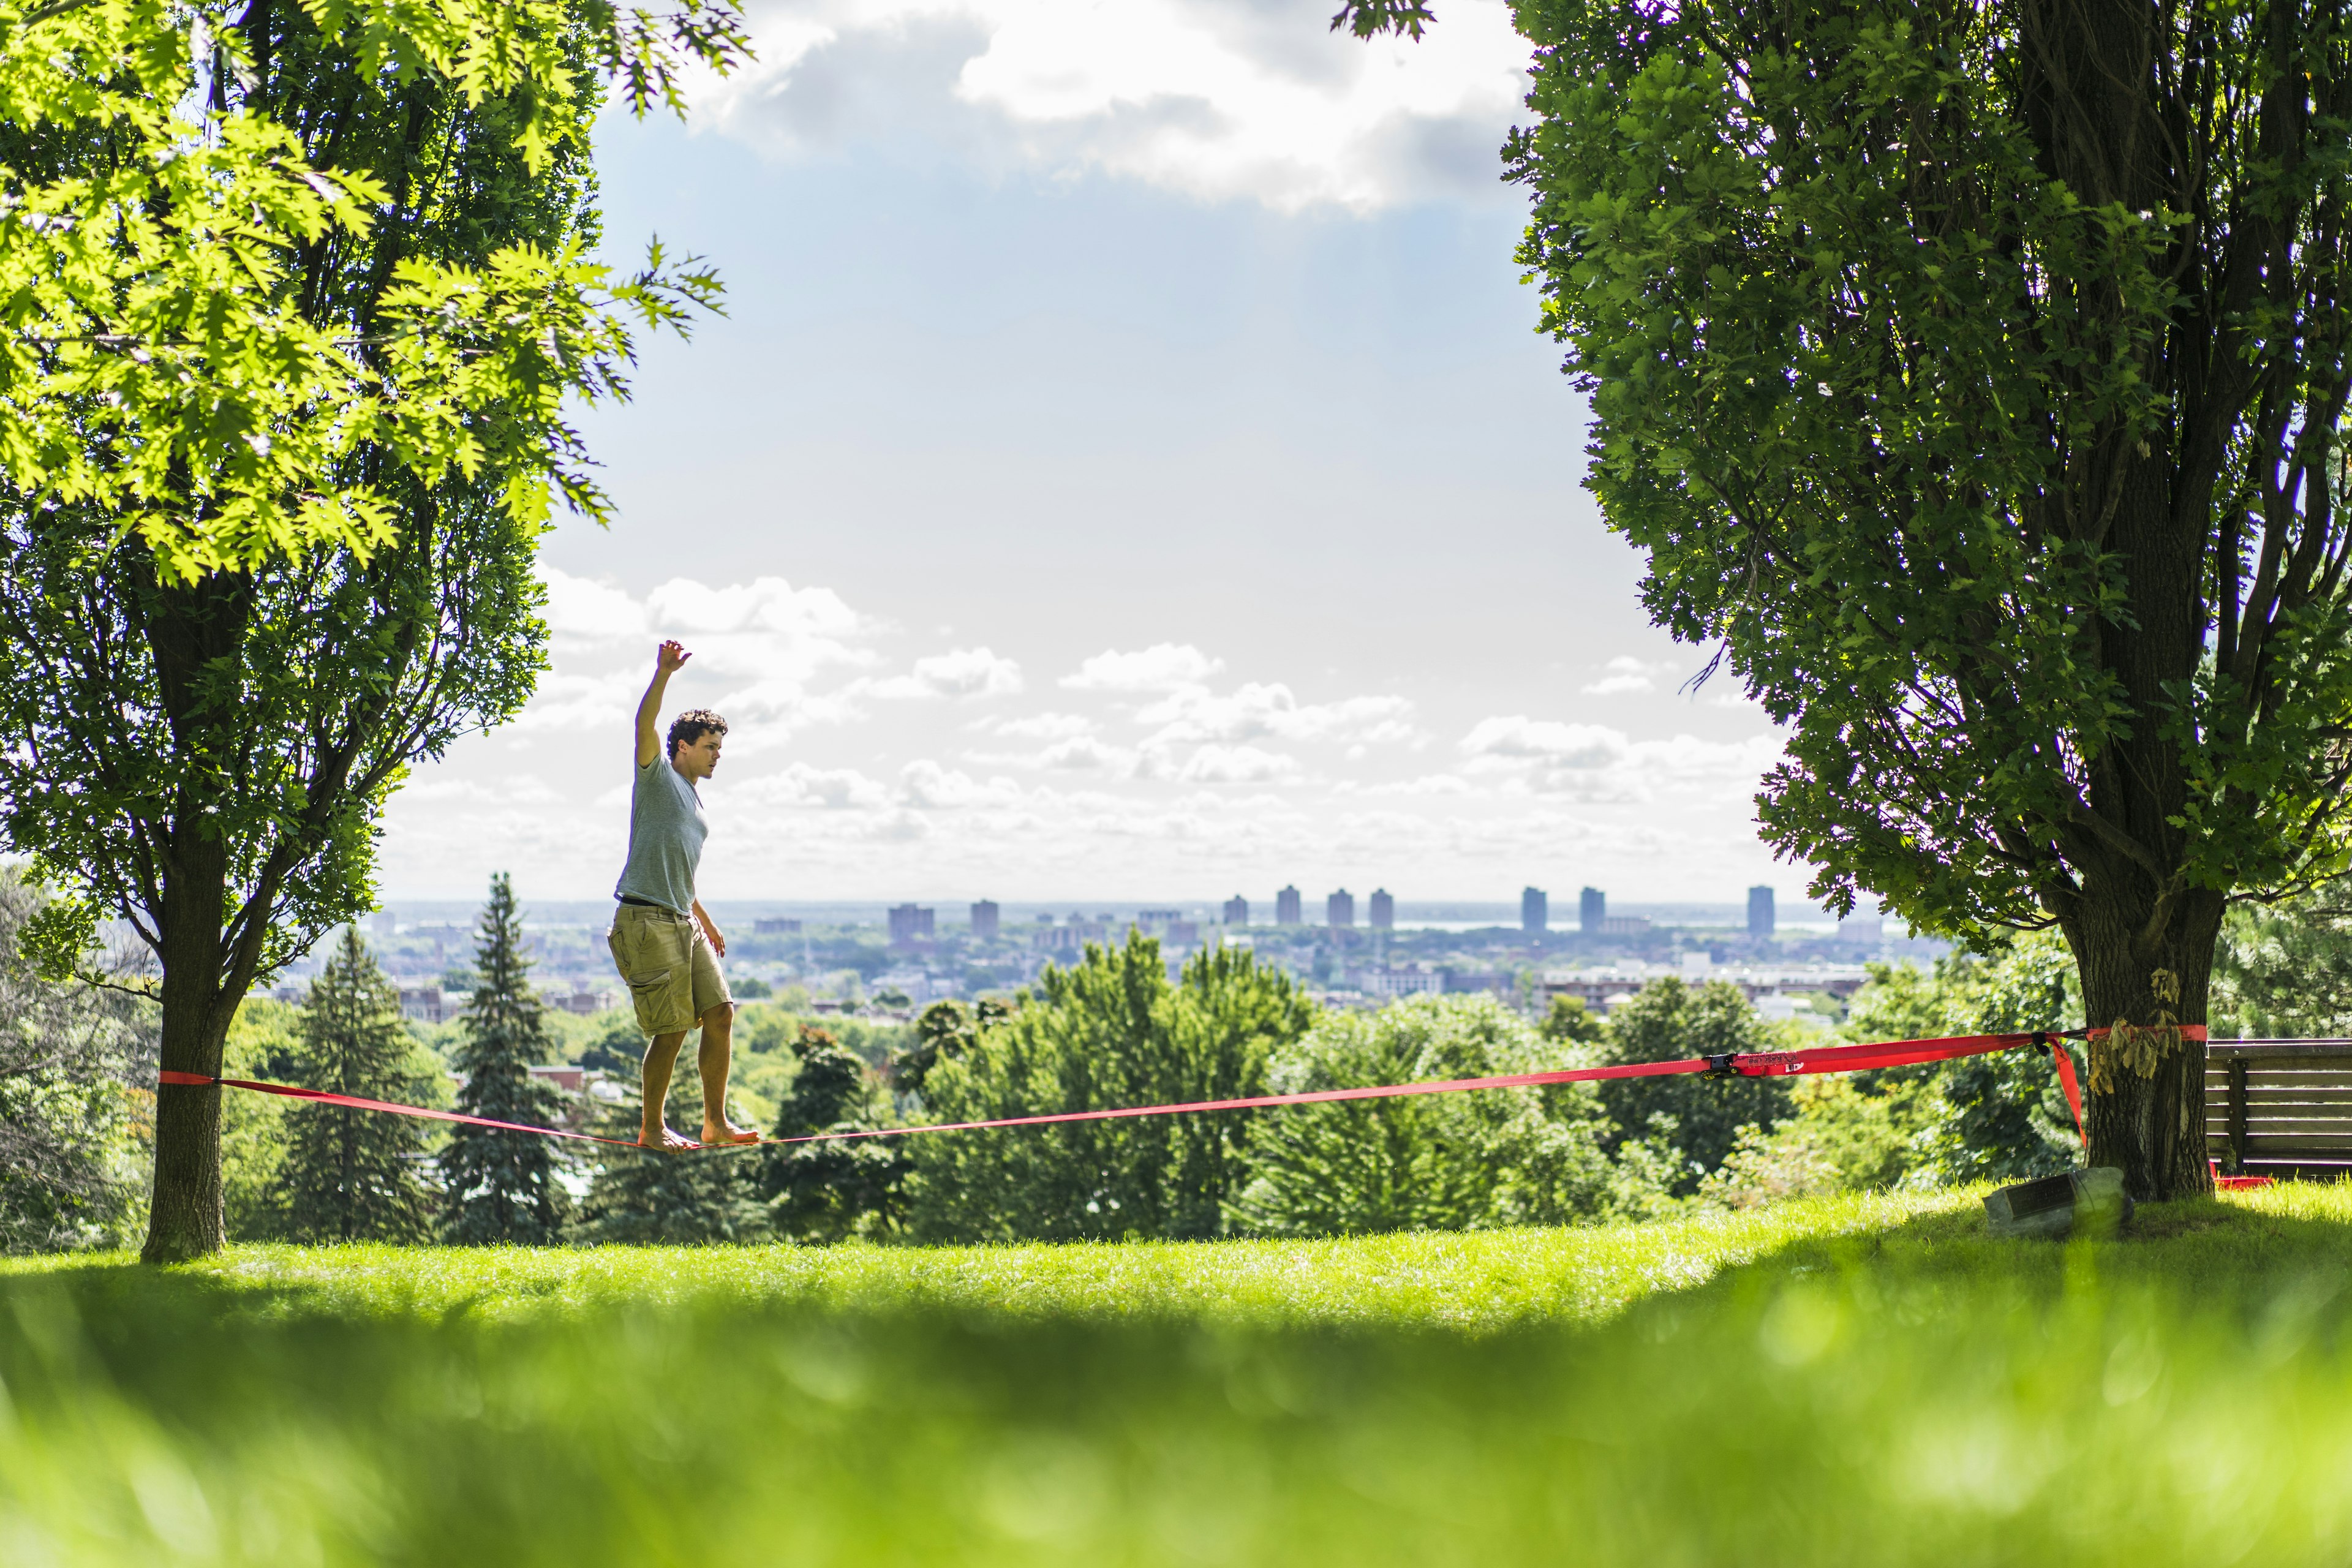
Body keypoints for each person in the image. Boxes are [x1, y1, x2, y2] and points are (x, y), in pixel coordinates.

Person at [607, 639, 758, 1150]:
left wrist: (706, 920)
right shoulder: (657, 778)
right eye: (711, 746)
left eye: (721, 747)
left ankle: (715, 1123)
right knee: (670, 1031)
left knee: (720, 1013)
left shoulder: (696, 802)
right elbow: (643, 726)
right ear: (684, 747)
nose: (719, 756)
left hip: (682, 918)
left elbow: (679, 873)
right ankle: (652, 1129)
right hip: (645, 921)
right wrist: (663, 674)